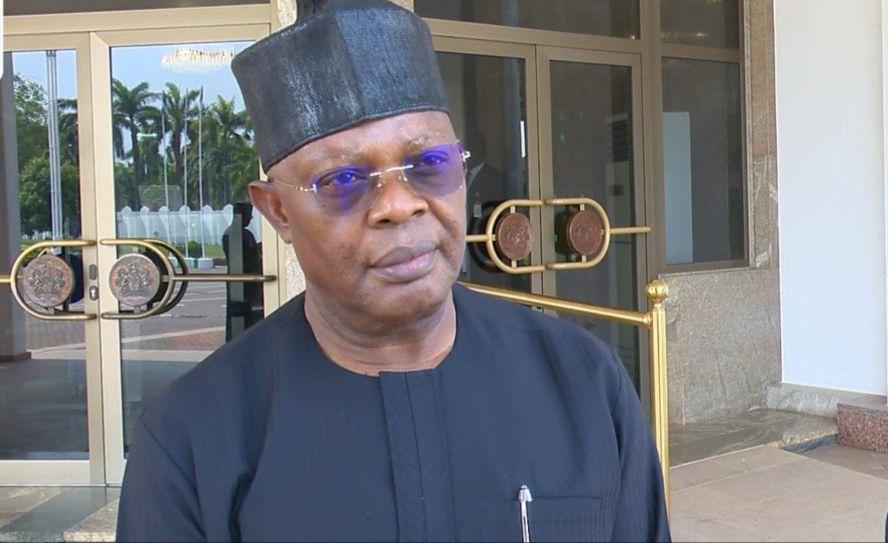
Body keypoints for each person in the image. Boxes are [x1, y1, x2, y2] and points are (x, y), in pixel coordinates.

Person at [115, 1, 670, 541]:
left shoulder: (584, 382)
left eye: (429, 164)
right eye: (342, 181)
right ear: (278, 211)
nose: (398, 205)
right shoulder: (191, 440)